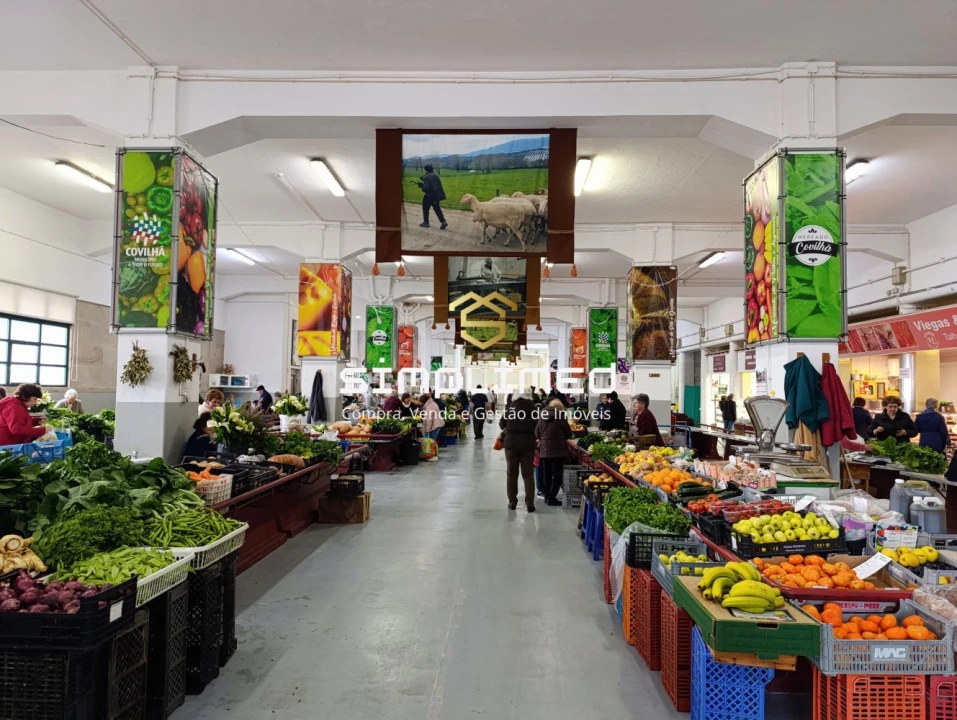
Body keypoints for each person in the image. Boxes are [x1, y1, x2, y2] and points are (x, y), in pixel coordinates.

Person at [499, 392, 538, 511]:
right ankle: (530, 504)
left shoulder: (510, 408)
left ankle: (512, 502)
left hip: (511, 444)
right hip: (528, 444)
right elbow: (537, 425)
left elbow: (501, 424)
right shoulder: (533, 408)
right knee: (528, 474)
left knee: (511, 474)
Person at [536, 399, 572, 506]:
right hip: (558, 449)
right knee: (557, 474)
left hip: (545, 449)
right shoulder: (561, 417)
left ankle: (546, 496)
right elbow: (568, 433)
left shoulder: (541, 416)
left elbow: (537, 432)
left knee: (546, 474)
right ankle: (552, 497)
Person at [416, 164, 447, 229]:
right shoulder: (436, 175)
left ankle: (426, 222)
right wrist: (424, 180)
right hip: (436, 195)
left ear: (426, 170)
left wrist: (421, 185)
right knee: (437, 208)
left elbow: (426, 189)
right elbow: (433, 184)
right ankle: (443, 222)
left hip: (429, 195)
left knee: (425, 208)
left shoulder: (427, 177)